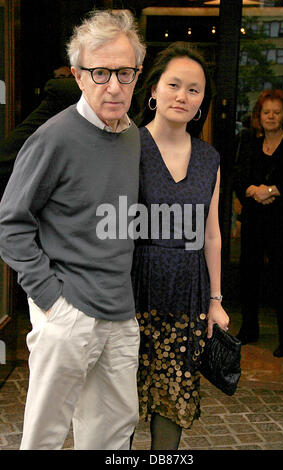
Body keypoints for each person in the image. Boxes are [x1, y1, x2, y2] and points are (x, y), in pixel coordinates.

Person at [0, 9, 146, 450]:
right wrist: (50, 300)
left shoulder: (133, 136)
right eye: (101, 72)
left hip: (120, 314)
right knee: (44, 437)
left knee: (112, 435)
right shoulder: (53, 137)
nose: (114, 85)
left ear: (138, 74)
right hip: (68, 313)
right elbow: (11, 222)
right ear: (79, 76)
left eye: (125, 72)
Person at [131, 42, 229, 450]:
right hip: (130, 289)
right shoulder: (127, 146)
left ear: (202, 100)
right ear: (153, 90)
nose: (182, 96)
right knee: (117, 397)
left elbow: (211, 233)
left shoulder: (210, 158)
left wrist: (216, 299)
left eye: (194, 89)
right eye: (174, 84)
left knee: (173, 395)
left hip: (185, 294)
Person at [233, 89, 283, 357]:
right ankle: (249, 329)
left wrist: (271, 191)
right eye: (266, 112)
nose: (271, 116)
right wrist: (252, 190)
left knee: (282, 278)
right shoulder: (249, 142)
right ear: (259, 116)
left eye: (276, 112)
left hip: (281, 221)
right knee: (248, 274)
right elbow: (238, 176)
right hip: (253, 218)